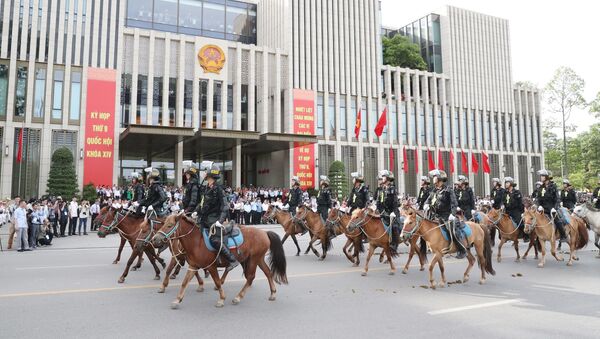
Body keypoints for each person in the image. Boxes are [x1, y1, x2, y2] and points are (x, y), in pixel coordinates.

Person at [194, 162, 238, 272]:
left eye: (205, 171)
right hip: (204, 219)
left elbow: (225, 206)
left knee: (215, 240)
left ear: (209, 174)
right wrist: (195, 211)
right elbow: (202, 203)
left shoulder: (218, 189)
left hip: (214, 219)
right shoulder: (206, 188)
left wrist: (220, 220)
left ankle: (232, 260)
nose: (203, 173)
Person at [424, 169, 466, 259]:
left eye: (435, 177)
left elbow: (454, 203)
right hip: (435, 215)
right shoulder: (434, 190)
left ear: (439, 179)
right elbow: (428, 200)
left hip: (446, 215)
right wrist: (426, 204)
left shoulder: (448, 190)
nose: (433, 179)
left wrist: (452, 214)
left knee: (452, 229)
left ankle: (461, 249)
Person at [535, 169, 567, 241]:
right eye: (541, 176)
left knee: (557, 220)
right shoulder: (541, 187)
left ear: (546, 177)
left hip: (552, 208)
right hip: (542, 209)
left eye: (542, 176)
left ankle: (563, 235)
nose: (541, 177)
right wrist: (539, 205)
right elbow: (538, 198)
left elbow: (557, 199)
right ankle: (537, 238)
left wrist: (554, 208)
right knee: (535, 221)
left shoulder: (553, 186)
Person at [379, 170, 400, 252]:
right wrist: (378, 210)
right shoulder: (382, 189)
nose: (382, 178)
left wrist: (393, 212)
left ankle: (394, 244)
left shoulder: (392, 189)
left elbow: (395, 202)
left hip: (392, 212)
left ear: (387, 178)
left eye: (384, 176)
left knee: (394, 226)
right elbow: (378, 201)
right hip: (383, 212)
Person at [503, 177, 527, 241]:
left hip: (516, 211)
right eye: (505, 183)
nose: (505, 184)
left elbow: (520, 203)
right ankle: (504, 236)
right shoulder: (505, 193)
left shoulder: (517, 192)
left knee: (520, 222)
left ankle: (525, 235)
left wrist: (522, 212)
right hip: (507, 211)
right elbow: (503, 201)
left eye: (507, 183)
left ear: (511, 184)